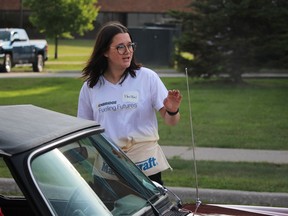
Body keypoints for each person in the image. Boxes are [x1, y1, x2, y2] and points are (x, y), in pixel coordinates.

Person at [77, 21, 182, 185]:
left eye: (130, 45)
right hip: (108, 169)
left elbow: (171, 121)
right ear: (105, 51)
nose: (128, 51)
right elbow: (84, 131)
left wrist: (172, 110)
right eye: (120, 47)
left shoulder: (147, 77)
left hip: (147, 168)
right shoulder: (91, 87)